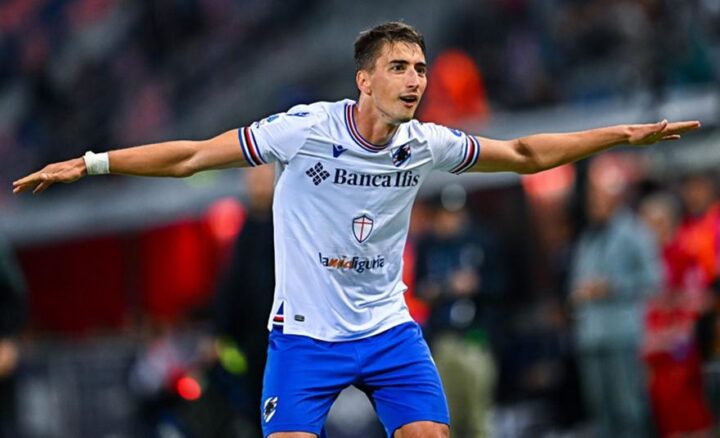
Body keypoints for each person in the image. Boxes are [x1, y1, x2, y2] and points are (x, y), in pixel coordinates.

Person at [12, 21, 700, 438]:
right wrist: (93, 162)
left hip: (389, 334)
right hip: (304, 339)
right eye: (399, 67)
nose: (415, 79)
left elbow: (522, 154)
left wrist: (618, 135)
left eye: (420, 68)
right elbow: (192, 156)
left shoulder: (424, 143)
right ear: (364, 80)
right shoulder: (305, 130)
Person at [569, 155, 662, 437]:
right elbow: (576, 282)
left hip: (622, 334)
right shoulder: (587, 238)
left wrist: (613, 287)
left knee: (629, 410)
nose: (592, 202)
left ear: (615, 195)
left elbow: (654, 279)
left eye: (598, 195)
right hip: (591, 337)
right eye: (591, 196)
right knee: (601, 414)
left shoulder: (634, 232)